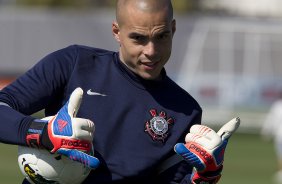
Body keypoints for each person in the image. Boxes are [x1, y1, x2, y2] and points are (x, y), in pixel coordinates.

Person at [0, 0, 239, 183]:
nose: (151, 50)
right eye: (138, 38)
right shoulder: (74, 63)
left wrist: (205, 177)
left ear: (173, 29)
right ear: (116, 32)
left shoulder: (186, 110)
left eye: (161, 36)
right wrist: (42, 133)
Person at [261, 92, 282, 184]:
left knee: (280, 155)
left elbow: (271, 120)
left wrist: (266, 132)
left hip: (279, 135)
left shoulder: (276, 106)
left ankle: (281, 173)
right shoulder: (276, 106)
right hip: (279, 135)